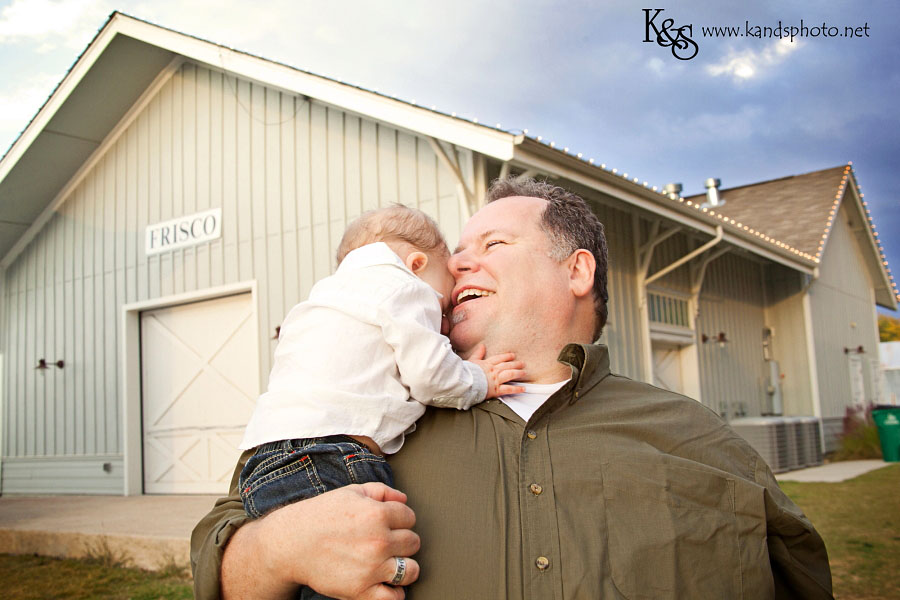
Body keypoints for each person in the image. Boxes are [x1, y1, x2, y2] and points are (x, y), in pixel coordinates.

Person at [192, 178, 833, 599]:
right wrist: (276, 550)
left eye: (493, 243)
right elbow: (216, 563)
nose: (461, 262)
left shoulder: (699, 434)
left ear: (577, 270)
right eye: (456, 252)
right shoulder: (364, 418)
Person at [236, 205, 525, 599]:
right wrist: (479, 379)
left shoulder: (324, 300)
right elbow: (428, 376)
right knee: (358, 576)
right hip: (331, 459)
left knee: (313, 575)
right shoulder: (405, 286)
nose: (443, 312)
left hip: (262, 466)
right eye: (444, 298)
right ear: (417, 263)